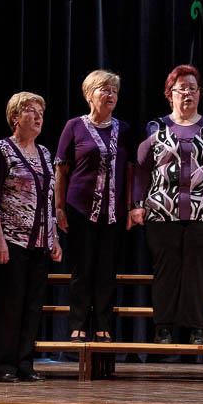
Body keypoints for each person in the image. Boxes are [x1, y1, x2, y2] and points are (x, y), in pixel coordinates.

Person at [130, 64, 203, 344]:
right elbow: (141, 169)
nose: (188, 93)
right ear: (170, 94)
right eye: (182, 89)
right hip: (162, 210)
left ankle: (197, 326)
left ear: (200, 93)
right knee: (166, 267)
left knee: (199, 268)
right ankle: (163, 326)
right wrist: (136, 204)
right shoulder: (155, 127)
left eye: (193, 88)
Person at [0, 92, 63, 382]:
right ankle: (3, 365)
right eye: (31, 110)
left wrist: (54, 237)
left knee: (33, 306)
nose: (38, 116)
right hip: (12, 240)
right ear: (15, 117)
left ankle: (24, 362)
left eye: (41, 111)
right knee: (10, 305)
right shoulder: (2, 150)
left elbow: (49, 199)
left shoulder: (44, 153)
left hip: (40, 242)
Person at [55, 70, 132, 342]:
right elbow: (61, 169)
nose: (111, 94)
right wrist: (59, 208)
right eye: (104, 89)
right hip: (80, 210)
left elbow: (130, 171)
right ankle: (78, 323)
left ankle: (103, 324)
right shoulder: (74, 126)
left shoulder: (124, 129)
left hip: (113, 212)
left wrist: (130, 207)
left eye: (114, 91)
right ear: (89, 94)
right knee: (82, 268)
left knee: (106, 270)